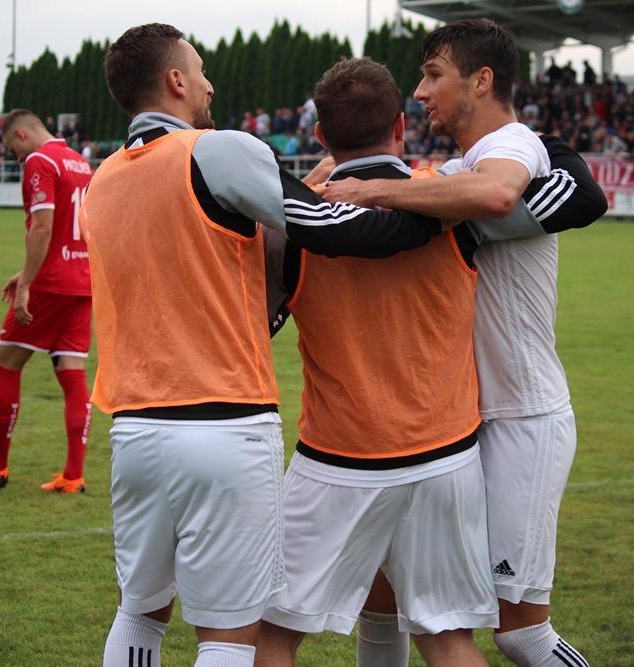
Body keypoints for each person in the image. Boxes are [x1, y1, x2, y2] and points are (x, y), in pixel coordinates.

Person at [81, 24, 443, 667]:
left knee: (140, 613)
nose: (209, 82)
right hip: (223, 425)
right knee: (230, 636)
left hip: (134, 429)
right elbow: (330, 229)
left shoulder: (103, 179)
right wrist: (433, 207)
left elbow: (212, 258)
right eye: (199, 68)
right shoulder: (218, 149)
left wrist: (310, 178)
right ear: (175, 81)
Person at [258, 57, 606, 667]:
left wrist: (311, 186)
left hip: (341, 456)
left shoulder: (295, 225)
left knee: (271, 633)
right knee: (445, 638)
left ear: (319, 136)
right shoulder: (449, 201)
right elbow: (562, 195)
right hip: (447, 456)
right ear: (400, 124)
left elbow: (262, 317)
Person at [0, 109, 94, 493]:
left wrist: (27, 282)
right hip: (83, 280)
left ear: (23, 133)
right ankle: (73, 475)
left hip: (50, 283)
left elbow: (44, 226)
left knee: (6, 366)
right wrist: (25, 271)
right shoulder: (80, 162)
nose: (14, 155)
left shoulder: (40, 160)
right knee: (72, 373)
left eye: (13, 145)